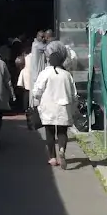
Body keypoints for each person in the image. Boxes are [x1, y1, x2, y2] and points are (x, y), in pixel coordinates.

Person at [32, 40, 77, 169]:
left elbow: (37, 91)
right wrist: (73, 107)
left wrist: (37, 99)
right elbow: (74, 94)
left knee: (50, 133)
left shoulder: (45, 73)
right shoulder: (67, 75)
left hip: (48, 108)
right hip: (64, 107)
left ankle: (52, 158)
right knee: (62, 132)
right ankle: (62, 150)